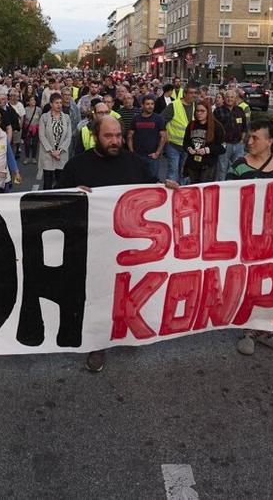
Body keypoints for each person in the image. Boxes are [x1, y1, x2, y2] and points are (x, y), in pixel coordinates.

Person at [57, 116, 179, 373]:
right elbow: (56, 201)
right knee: (99, 296)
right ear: (94, 137)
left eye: (118, 136)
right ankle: (98, 343)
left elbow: (150, 194)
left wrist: (166, 190)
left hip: (131, 247)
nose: (115, 141)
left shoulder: (135, 163)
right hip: (94, 247)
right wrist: (71, 195)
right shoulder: (76, 166)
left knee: (130, 294)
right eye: (108, 136)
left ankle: (128, 333)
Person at [226, 118, 273, 356]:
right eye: (250, 136)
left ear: (270, 142)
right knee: (250, 283)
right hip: (247, 237)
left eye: (256, 137)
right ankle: (247, 330)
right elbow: (223, 198)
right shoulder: (238, 165)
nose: (250, 140)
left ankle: (266, 330)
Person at [162, 83, 198, 184]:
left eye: (195, 93)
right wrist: (165, 134)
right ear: (185, 94)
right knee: (173, 172)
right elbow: (161, 121)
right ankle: (170, 195)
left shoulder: (197, 106)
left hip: (189, 147)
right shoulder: (174, 105)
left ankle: (181, 195)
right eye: (191, 93)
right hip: (174, 145)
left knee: (184, 172)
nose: (194, 95)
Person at [182, 98, 224, 184]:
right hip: (192, 164)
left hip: (208, 166)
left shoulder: (216, 126)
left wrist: (207, 150)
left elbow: (222, 147)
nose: (199, 113)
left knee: (204, 191)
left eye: (202, 111)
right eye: (197, 111)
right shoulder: (191, 125)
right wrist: (189, 148)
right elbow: (185, 142)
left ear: (208, 112)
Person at [128, 94, 166, 180]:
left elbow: (163, 137)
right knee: (137, 179)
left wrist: (157, 153)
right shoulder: (135, 119)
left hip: (152, 157)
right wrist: (132, 152)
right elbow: (130, 136)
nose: (150, 106)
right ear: (142, 105)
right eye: (148, 104)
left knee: (153, 181)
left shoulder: (159, 119)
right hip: (138, 156)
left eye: (152, 104)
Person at [37, 93, 72, 190]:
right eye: (56, 103)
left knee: (60, 182)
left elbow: (68, 136)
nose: (59, 105)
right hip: (48, 154)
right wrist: (52, 151)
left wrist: (59, 151)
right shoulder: (44, 117)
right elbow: (42, 136)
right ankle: (46, 202)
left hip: (62, 155)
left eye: (60, 103)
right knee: (47, 182)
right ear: (51, 104)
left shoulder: (66, 117)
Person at [214, 90, 249, 180]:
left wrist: (242, 140)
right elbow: (214, 129)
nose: (230, 99)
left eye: (232, 97)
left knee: (238, 168)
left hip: (238, 145)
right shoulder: (218, 111)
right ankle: (221, 187)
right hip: (224, 145)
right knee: (222, 168)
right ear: (224, 99)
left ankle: (235, 188)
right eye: (228, 97)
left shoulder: (240, 111)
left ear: (235, 99)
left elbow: (244, 127)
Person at [21, 95, 40, 165]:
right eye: (31, 100)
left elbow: (40, 119)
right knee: (27, 144)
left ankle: (34, 157)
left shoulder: (38, 109)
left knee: (35, 144)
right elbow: (23, 119)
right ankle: (27, 157)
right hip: (28, 129)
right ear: (28, 102)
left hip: (36, 129)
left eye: (34, 100)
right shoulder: (25, 109)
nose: (33, 101)